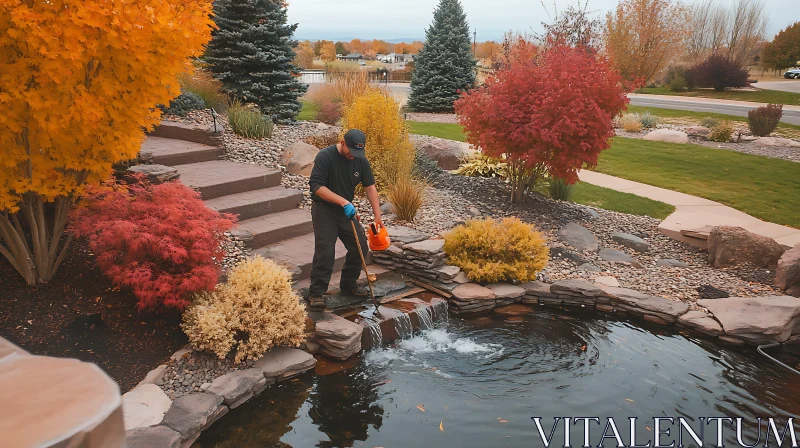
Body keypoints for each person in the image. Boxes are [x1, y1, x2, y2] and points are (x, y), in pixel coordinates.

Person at [307, 129, 382, 309]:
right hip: (324, 209)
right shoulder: (325, 156)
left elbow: (370, 187)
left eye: (358, 152)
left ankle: (348, 285)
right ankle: (316, 293)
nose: (353, 156)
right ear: (342, 142)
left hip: (345, 212)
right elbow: (316, 187)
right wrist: (343, 202)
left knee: (360, 246)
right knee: (326, 251)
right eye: (351, 151)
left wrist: (378, 216)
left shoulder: (360, 160)